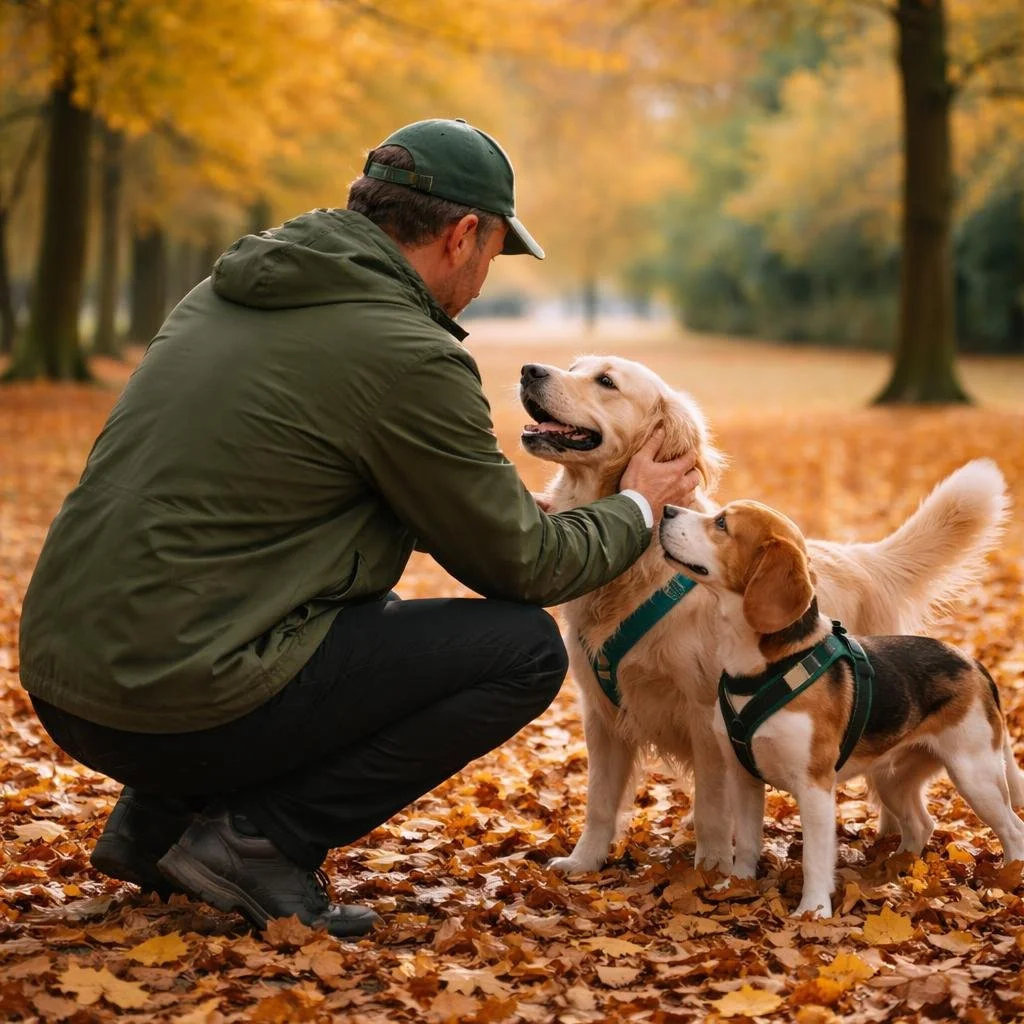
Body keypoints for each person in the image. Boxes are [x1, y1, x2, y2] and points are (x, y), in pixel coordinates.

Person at [19, 118, 699, 937]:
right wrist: (637, 505)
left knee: (344, 610)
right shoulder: (407, 352)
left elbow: (280, 487)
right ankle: (257, 844)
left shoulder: (224, 294)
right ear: (461, 236)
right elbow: (528, 570)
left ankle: (155, 825)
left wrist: (492, 513)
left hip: (65, 676)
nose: (484, 277)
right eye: (493, 254)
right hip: (174, 699)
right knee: (518, 651)